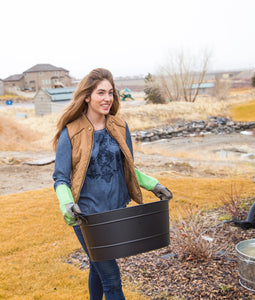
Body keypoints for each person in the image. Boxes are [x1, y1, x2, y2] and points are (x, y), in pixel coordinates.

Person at [52, 68, 173, 300]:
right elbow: (61, 179)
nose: (107, 98)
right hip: (87, 217)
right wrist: (66, 204)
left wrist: (153, 184)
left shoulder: (119, 126)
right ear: (87, 96)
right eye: (100, 93)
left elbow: (126, 166)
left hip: (115, 213)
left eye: (111, 92)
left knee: (97, 267)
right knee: (112, 279)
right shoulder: (71, 133)